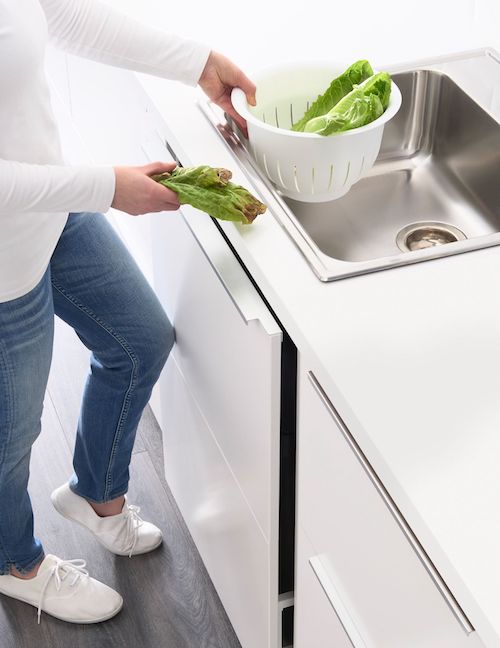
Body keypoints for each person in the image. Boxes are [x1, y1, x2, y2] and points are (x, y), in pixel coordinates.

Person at [0, 0, 256, 625]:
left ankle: (96, 494)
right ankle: (16, 564)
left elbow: (64, 17)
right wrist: (106, 186)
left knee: (139, 338)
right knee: (11, 439)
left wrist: (197, 62)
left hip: (51, 204)